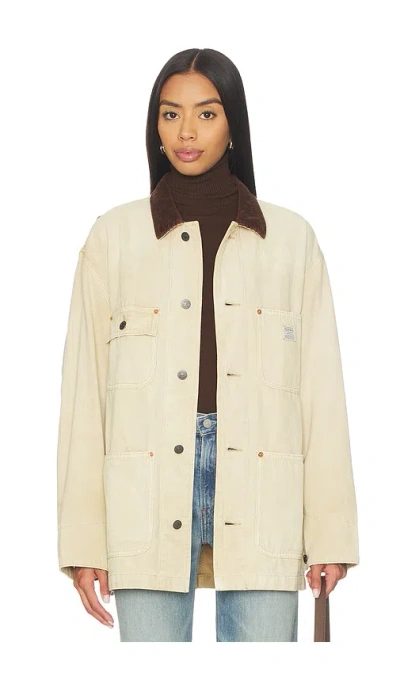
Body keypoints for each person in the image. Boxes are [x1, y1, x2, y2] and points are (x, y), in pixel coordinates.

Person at [57, 47, 359, 641]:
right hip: (143, 489)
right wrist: (84, 541)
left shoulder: (291, 240)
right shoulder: (114, 237)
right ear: (155, 126)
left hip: (265, 485)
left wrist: (330, 534)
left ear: (233, 125)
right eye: (170, 114)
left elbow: (322, 393)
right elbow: (83, 396)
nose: (187, 132)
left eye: (207, 113)